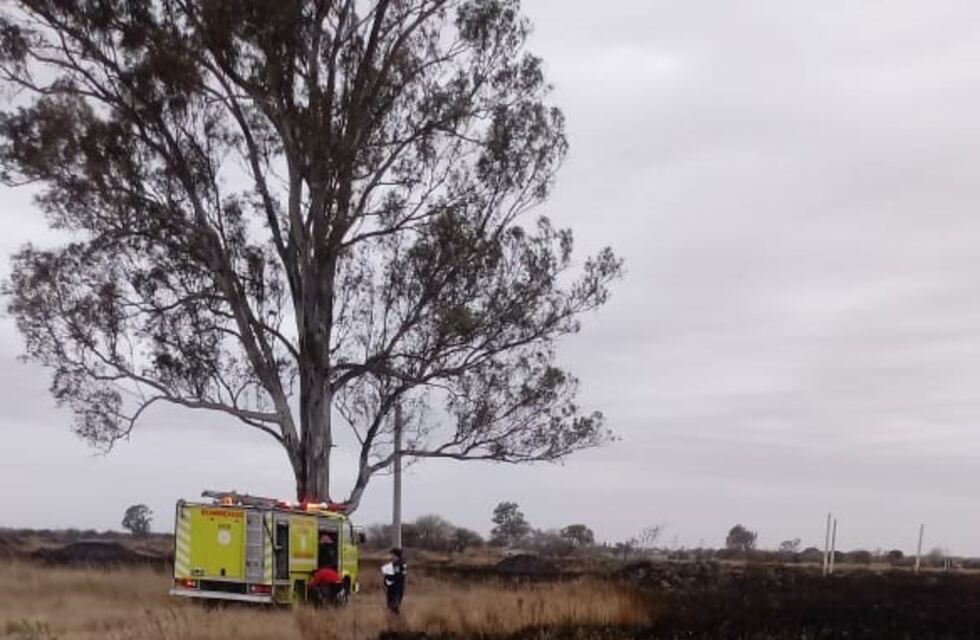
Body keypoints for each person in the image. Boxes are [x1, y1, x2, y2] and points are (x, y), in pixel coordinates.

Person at [381, 547, 407, 614]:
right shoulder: (403, 562)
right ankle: (396, 622)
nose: (391, 556)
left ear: (395, 555)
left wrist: (387, 576)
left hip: (395, 588)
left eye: (392, 554)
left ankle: (397, 622)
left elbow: (396, 576)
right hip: (399, 587)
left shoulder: (397, 564)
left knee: (393, 608)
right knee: (394, 608)